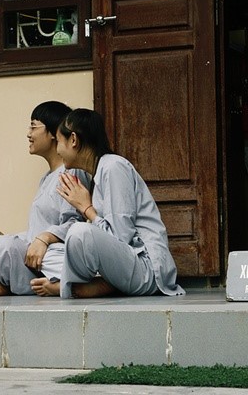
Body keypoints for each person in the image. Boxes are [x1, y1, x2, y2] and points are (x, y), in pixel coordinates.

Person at [30, 108, 185, 298]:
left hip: (146, 269)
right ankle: (91, 285)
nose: (58, 150)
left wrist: (87, 209)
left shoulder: (113, 167)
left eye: (59, 142)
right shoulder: (97, 172)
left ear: (73, 140)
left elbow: (121, 237)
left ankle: (76, 287)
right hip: (125, 265)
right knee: (59, 246)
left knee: (80, 232)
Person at [0, 101, 90, 296]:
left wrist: (41, 240)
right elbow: (36, 231)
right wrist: (5, 235)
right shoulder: (47, 178)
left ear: (53, 133)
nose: (28, 134)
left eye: (34, 127)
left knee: (4, 247)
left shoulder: (70, 173)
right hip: (29, 254)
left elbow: (75, 224)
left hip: (44, 261)